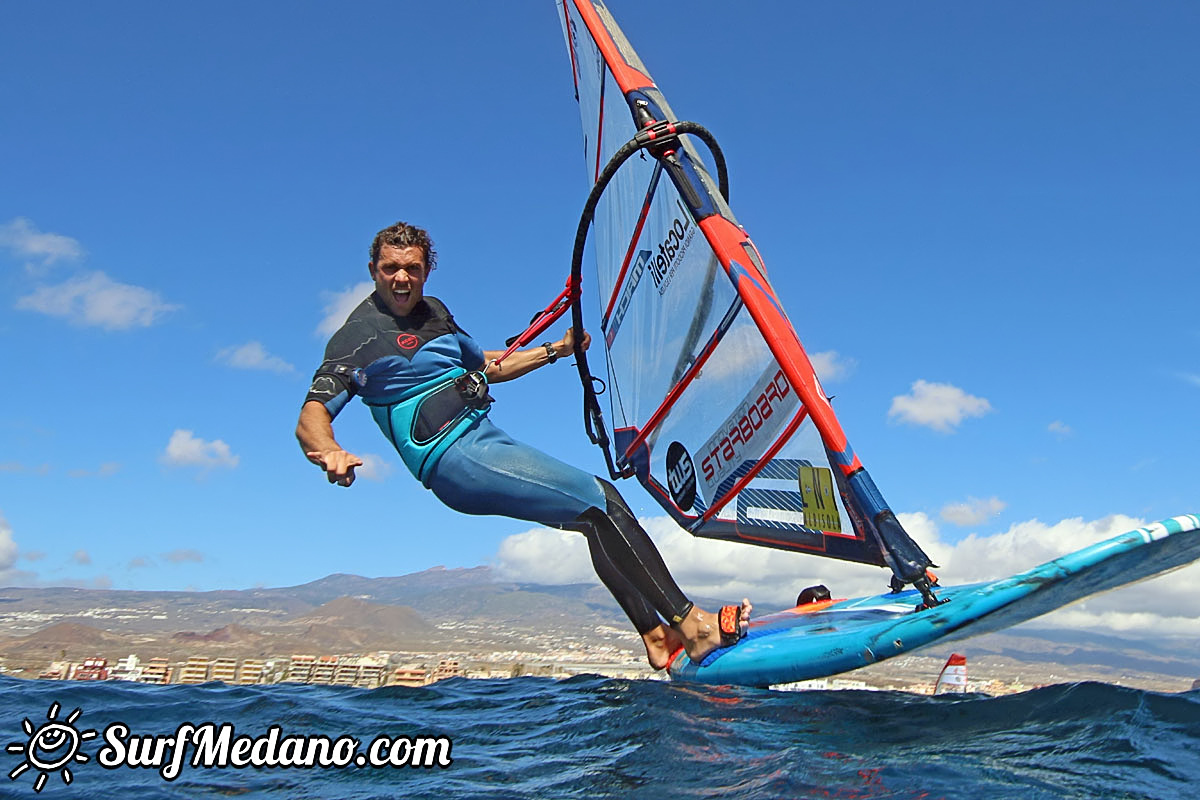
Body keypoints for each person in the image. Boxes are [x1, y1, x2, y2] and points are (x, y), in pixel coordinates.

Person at [296, 221, 750, 668]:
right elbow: (312, 413)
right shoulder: (356, 337)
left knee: (591, 522)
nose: (401, 279)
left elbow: (492, 365)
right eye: (391, 268)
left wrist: (556, 349)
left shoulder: (434, 312)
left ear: (425, 272)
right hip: (454, 457)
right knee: (603, 501)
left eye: (412, 269)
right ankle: (693, 627)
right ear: (373, 268)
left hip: (484, 440)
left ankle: (656, 636)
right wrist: (328, 449)